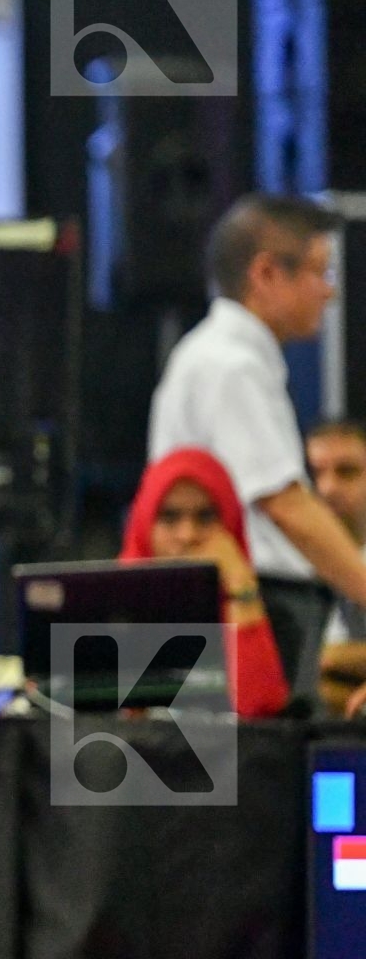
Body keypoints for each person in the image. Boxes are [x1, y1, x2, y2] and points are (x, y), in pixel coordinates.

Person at [148, 194, 366, 707]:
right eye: (319, 272)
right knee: (261, 779)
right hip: (246, 611)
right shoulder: (230, 365)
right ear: (267, 274)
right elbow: (287, 507)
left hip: (245, 608)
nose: (329, 293)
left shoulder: (220, 357)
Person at [117, 448, 289, 719]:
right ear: (144, 525)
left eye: (206, 517)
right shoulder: (110, 608)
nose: (187, 535)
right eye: (169, 517)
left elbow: (259, 714)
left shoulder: (272, 612)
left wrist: (240, 590)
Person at [303, 421, 366, 713]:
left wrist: (331, 660)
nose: (328, 488)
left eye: (347, 472)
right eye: (316, 474)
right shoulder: (283, 569)